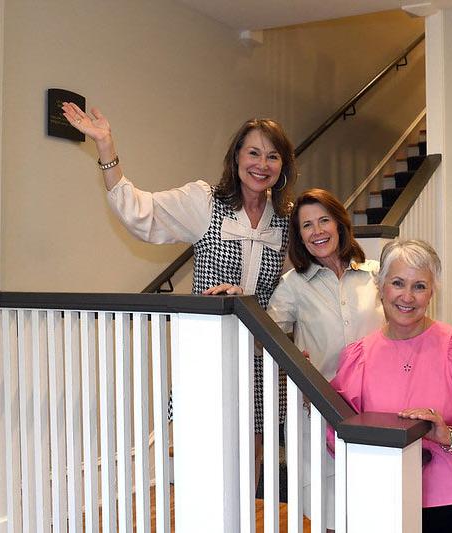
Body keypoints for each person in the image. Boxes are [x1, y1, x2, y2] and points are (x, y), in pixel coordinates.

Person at [61, 103, 296, 444]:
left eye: (272, 156)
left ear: (283, 165)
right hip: (208, 354)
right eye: (253, 153)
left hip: (260, 360)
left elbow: (294, 289)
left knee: (254, 453)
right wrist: (105, 146)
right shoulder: (204, 202)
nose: (262, 165)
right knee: (204, 448)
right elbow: (140, 212)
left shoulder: (286, 219)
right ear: (236, 158)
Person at [330, 239, 452, 533]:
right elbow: (338, 433)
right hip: (386, 504)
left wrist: (449, 435)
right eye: (397, 283)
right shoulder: (359, 357)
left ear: (431, 292)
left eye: (419, 286)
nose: (407, 296)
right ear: (381, 287)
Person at [266, 188, 386, 531]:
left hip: (377, 408)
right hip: (319, 411)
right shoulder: (293, 285)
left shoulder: (375, 274)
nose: (317, 231)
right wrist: (294, 362)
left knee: (375, 502)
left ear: (339, 224)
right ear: (299, 236)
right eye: (307, 225)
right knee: (329, 507)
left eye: (324, 220)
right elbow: (267, 339)